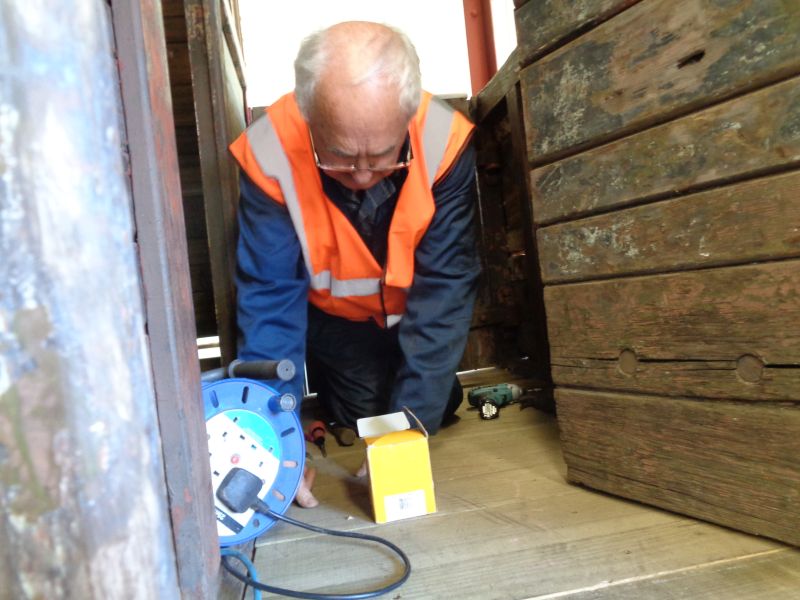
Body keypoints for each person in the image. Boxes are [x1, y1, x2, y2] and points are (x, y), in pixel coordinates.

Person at [229, 21, 480, 508]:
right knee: (367, 409)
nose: (362, 176)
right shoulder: (270, 150)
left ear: (406, 116)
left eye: (384, 156)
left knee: (430, 406)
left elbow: (446, 287)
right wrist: (272, 440)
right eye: (340, 157)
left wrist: (410, 427)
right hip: (334, 324)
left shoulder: (442, 141)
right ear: (308, 115)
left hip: (408, 315)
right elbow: (268, 297)